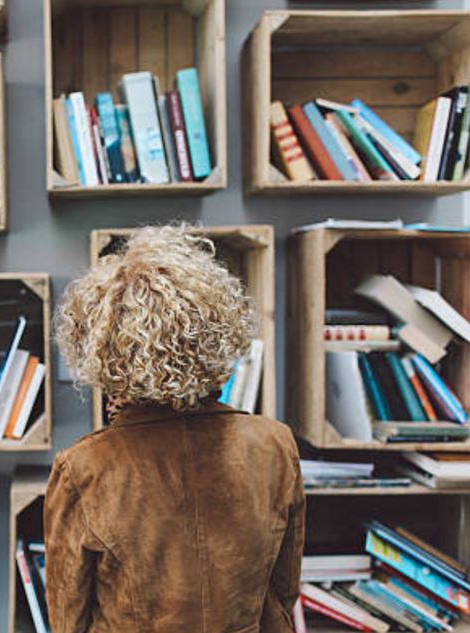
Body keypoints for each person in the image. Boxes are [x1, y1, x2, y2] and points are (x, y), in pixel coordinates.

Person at [46, 224, 304, 633]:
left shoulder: (84, 468)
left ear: (100, 349)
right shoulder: (274, 444)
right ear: (218, 331)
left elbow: (68, 621)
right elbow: (282, 596)